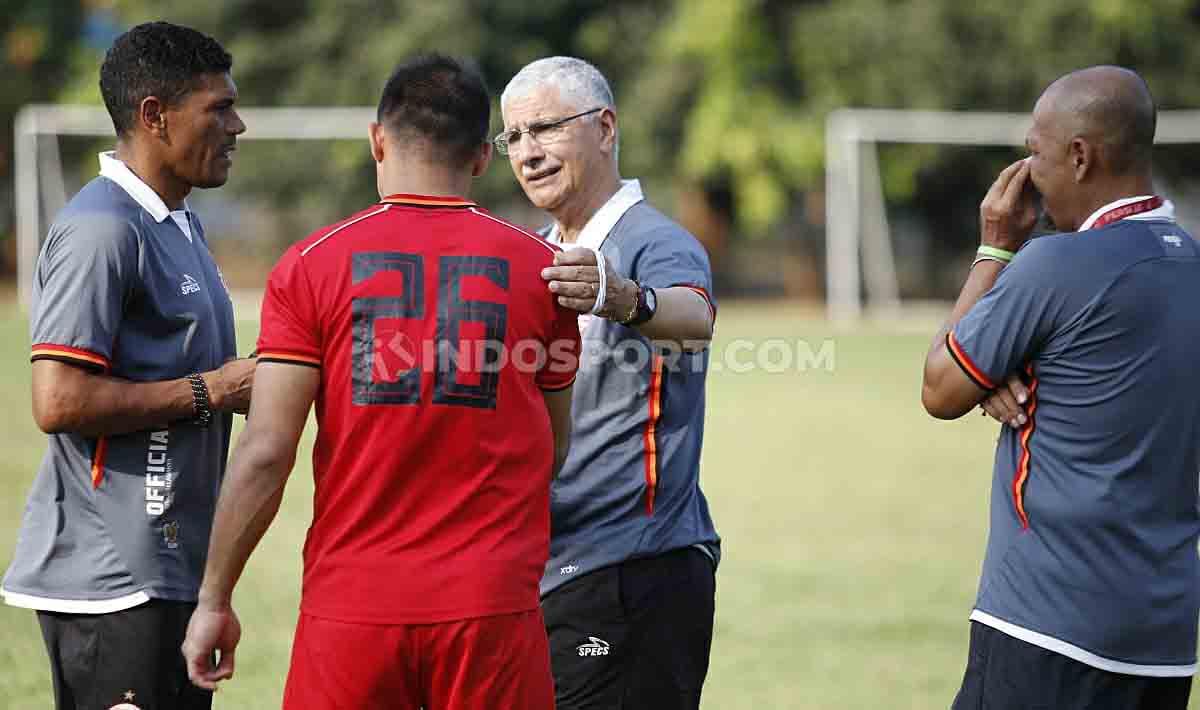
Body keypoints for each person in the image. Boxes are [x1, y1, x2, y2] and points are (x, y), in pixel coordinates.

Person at [180, 54, 581, 710]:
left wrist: (214, 599)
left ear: (376, 140)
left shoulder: (309, 266)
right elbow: (552, 449)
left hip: (353, 607)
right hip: (492, 608)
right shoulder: (544, 271)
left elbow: (266, 450)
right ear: (483, 157)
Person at [921, 65, 1200, 709]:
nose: (1027, 172)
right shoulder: (1188, 261)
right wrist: (1014, 361)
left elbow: (940, 387)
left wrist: (996, 250)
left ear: (1079, 157)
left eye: (1034, 152)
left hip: (1046, 628)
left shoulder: (1053, 264)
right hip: (1163, 639)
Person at [0, 21, 254, 710]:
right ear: (154, 116)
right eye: (218, 108)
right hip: (110, 580)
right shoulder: (102, 229)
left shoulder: (180, 222)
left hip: (170, 565)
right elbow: (57, 401)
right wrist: (212, 390)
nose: (238, 125)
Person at [497, 56, 720, 709]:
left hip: (634, 567)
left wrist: (624, 298)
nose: (528, 153)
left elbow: (696, 319)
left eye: (545, 129)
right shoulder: (536, 250)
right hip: (547, 569)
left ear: (605, 127)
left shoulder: (654, 240)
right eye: (513, 138)